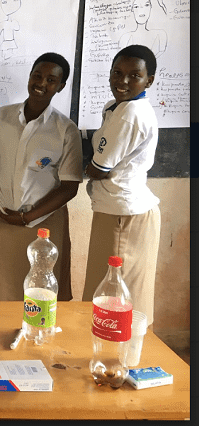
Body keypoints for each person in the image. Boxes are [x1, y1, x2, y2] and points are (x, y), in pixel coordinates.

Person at [0, 52, 81, 301]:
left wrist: (28, 217)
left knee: (40, 291)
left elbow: (69, 187)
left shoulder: (66, 130)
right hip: (1, 216)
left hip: (43, 225)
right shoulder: (2, 116)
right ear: (30, 75)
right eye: (37, 75)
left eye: (51, 80)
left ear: (61, 86)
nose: (42, 83)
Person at [82, 45, 160, 326]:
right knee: (105, 295)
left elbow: (99, 169)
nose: (122, 81)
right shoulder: (116, 107)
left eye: (134, 76)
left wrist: (85, 167)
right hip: (116, 209)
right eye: (117, 73)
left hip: (124, 215)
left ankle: (119, 361)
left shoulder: (131, 114)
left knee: (116, 301)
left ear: (148, 81)